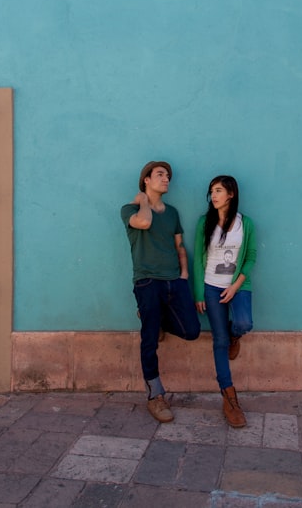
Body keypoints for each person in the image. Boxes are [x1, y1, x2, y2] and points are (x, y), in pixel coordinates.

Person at [121, 160, 201, 424]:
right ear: (146, 180)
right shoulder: (130, 209)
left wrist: (184, 275)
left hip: (174, 281)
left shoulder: (173, 213)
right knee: (149, 340)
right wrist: (143, 200)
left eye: (168, 175)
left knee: (192, 331)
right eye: (160, 175)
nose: (166, 179)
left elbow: (179, 246)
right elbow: (143, 223)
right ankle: (155, 396)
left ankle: (153, 318)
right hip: (147, 281)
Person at [192, 175, 257, 428]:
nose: (214, 195)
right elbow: (198, 258)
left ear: (231, 194)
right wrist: (199, 293)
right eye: (211, 191)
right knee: (218, 340)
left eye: (218, 190)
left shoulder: (246, 223)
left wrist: (236, 285)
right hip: (210, 286)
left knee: (243, 323)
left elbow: (250, 256)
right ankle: (229, 397)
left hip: (238, 285)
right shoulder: (204, 222)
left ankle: (235, 336)